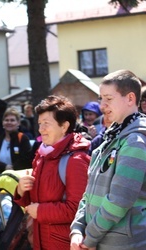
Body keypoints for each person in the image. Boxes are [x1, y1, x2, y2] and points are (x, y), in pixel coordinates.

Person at [70, 70, 146, 250]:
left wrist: (89, 237)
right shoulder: (110, 137)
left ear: (130, 98)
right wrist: (77, 229)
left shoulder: (135, 142)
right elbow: (88, 194)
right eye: (100, 99)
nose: (102, 106)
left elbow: (119, 200)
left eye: (108, 99)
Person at [15, 95, 90, 249]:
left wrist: (41, 211)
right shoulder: (42, 155)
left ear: (64, 126)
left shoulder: (76, 160)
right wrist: (21, 191)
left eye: (46, 124)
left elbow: (78, 209)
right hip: (40, 240)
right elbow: (35, 201)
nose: (40, 129)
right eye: (40, 123)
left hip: (64, 244)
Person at [0, 107, 33, 182]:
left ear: (18, 123)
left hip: (19, 181)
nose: (9, 122)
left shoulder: (23, 139)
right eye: (6, 120)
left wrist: (13, 168)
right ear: (3, 123)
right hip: (0, 181)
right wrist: (4, 167)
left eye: (12, 120)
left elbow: (27, 160)